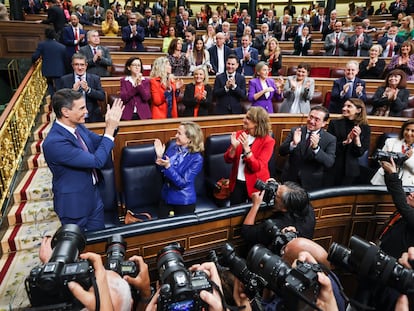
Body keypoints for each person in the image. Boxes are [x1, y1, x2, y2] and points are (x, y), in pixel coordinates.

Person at [43, 89, 123, 231]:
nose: (86, 111)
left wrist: (112, 126)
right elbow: (97, 161)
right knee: (80, 250)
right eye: (81, 108)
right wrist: (109, 130)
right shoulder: (55, 142)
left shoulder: (79, 127)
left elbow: (99, 142)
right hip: (74, 206)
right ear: (65, 112)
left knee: (98, 242)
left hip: (94, 198)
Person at [224, 107, 275, 205]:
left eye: (248, 118)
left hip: (256, 185)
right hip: (237, 183)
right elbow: (227, 159)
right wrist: (233, 148)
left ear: (257, 122)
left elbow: (257, 167)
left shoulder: (268, 141)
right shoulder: (240, 134)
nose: (244, 120)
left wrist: (247, 149)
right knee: (235, 215)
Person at [279, 106, 336, 191]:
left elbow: (329, 162)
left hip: (311, 183)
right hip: (289, 179)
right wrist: (293, 144)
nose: (312, 121)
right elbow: (281, 152)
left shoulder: (330, 139)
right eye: (311, 117)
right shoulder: (296, 131)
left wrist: (316, 149)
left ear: (324, 123)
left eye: (316, 119)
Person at [241, 181, 316, 246]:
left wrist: (255, 205)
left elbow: (247, 232)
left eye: (276, 196)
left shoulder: (274, 226)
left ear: (284, 208)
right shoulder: (308, 209)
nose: (274, 194)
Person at [154, 121, 204, 217]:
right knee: (161, 230)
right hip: (166, 197)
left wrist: (168, 167)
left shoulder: (197, 159)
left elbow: (182, 183)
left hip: (183, 201)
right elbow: (161, 171)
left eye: (179, 133)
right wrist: (159, 157)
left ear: (190, 139)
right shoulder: (173, 147)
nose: (175, 135)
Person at [327, 98, 371, 186]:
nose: (344, 108)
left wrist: (357, 140)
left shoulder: (365, 128)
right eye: (344, 106)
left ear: (358, 110)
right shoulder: (334, 123)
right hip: (333, 167)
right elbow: (329, 147)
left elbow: (360, 153)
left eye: (349, 106)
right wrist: (345, 142)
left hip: (351, 170)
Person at [56, 53, 106, 123]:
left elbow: (102, 96)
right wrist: (72, 91)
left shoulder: (94, 78)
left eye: (82, 65)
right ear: (72, 66)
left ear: (86, 65)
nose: (79, 68)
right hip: (72, 119)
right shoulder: (65, 80)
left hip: (92, 118)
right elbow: (59, 101)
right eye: (76, 64)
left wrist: (88, 90)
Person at [371, 120, 414, 186]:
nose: (409, 133)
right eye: (407, 129)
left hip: (406, 185)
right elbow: (381, 160)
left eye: (413, 131)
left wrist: (407, 159)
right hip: (383, 181)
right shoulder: (390, 142)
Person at [32, 28, 67, 97]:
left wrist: (33, 63)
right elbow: (65, 60)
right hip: (59, 70)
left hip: (47, 71)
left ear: (45, 35)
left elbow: (35, 56)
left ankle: (52, 100)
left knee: (49, 88)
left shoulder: (42, 44)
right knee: (59, 89)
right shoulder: (62, 47)